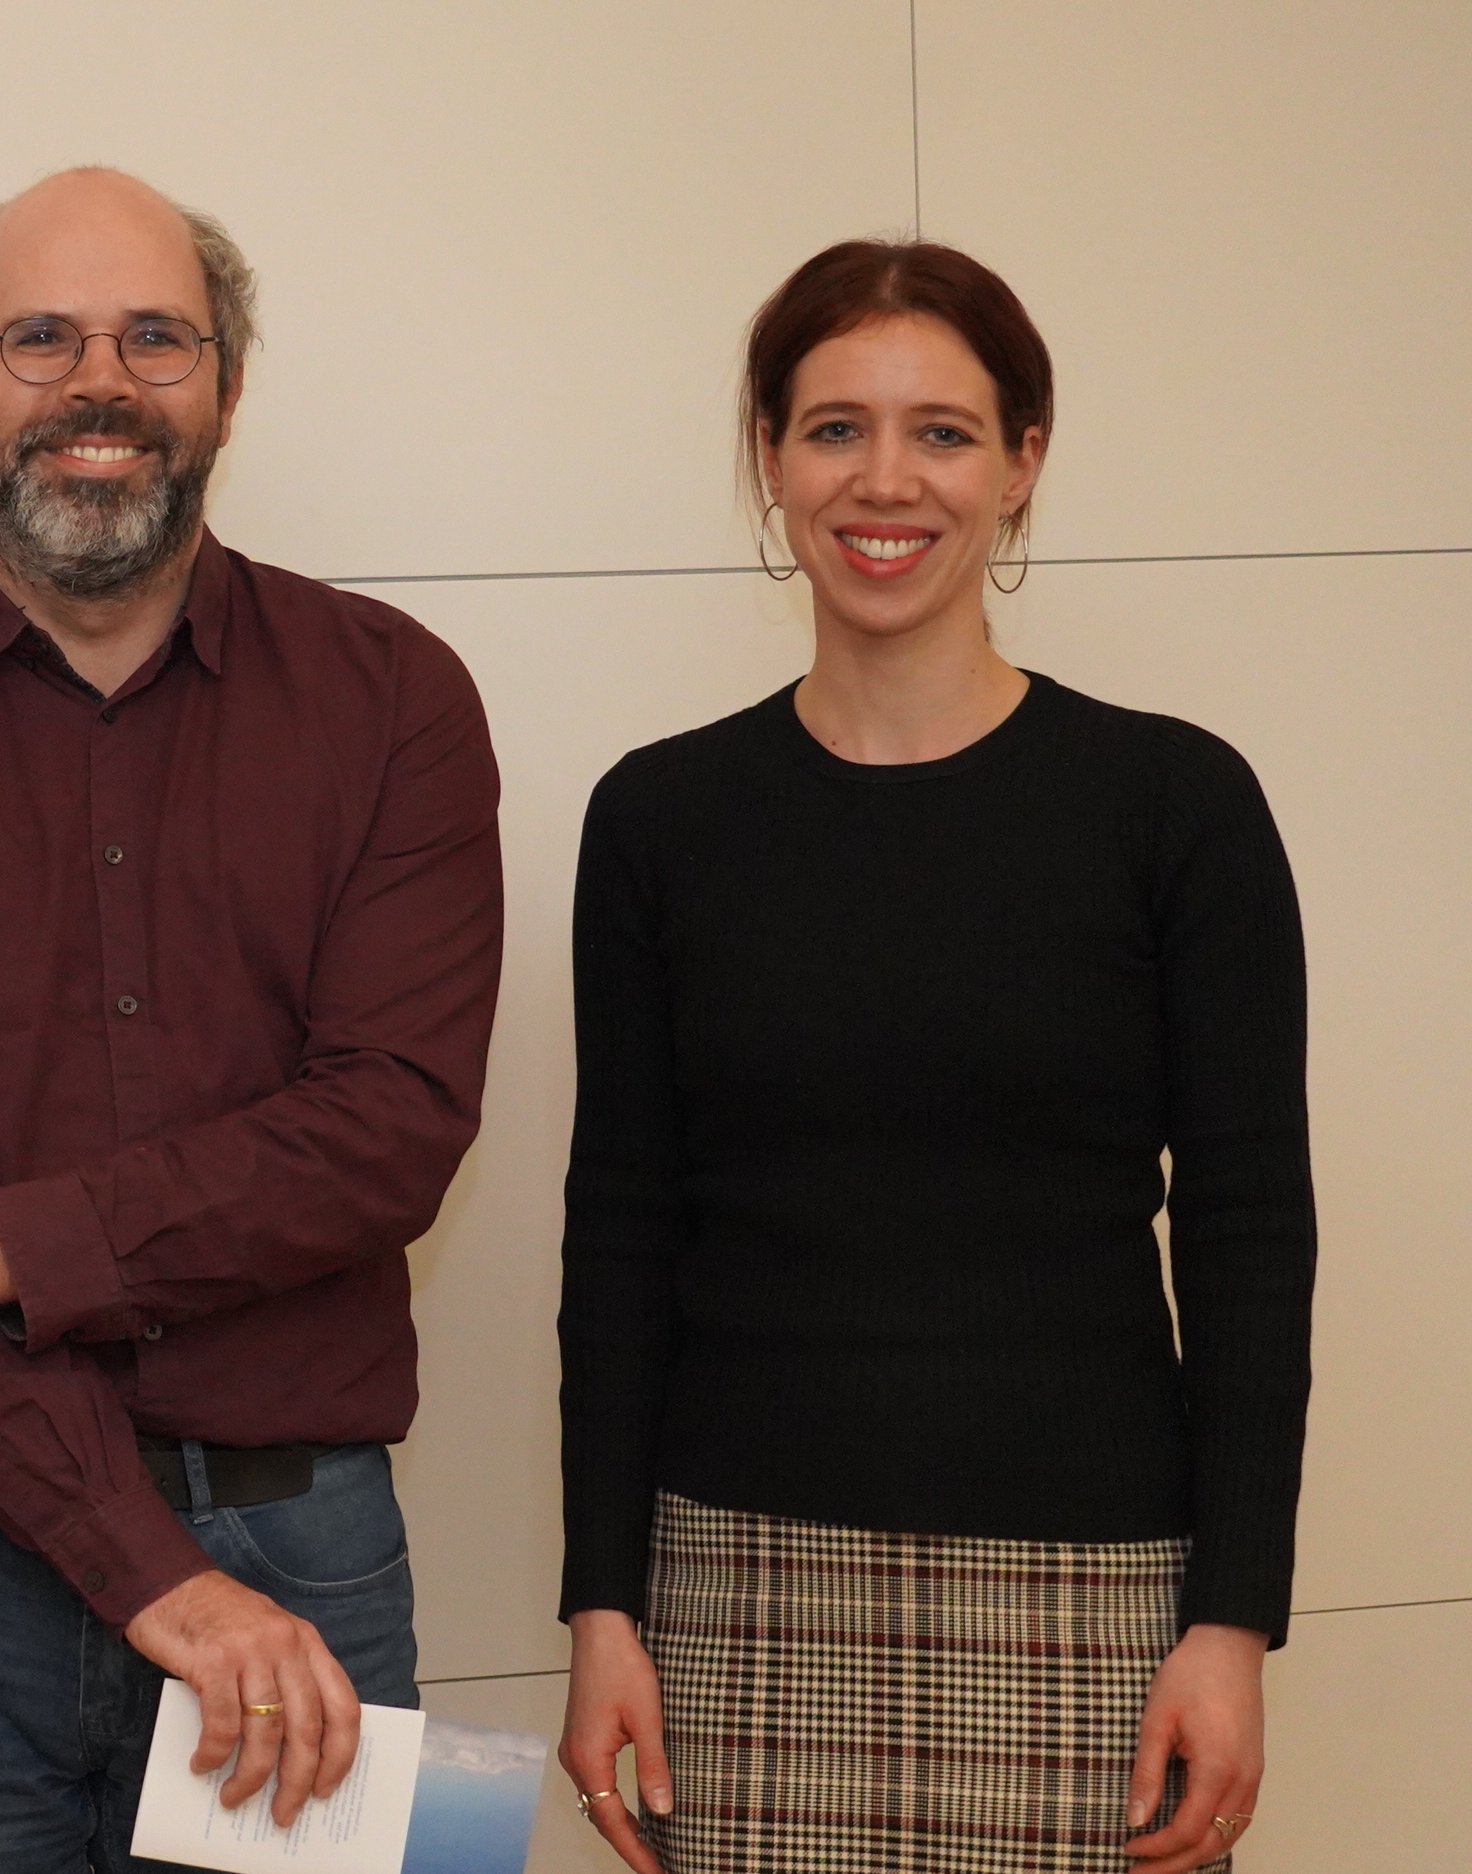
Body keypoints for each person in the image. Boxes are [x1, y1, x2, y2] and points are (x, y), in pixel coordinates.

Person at [0, 166, 505, 1873]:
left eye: (157, 337)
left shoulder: (397, 703)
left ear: (226, 383)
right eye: (39, 339)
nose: (100, 385)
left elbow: (386, 1136)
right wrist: (156, 1571)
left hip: (301, 1544)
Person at [553, 239, 1310, 1874]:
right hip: (739, 1596)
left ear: (1026, 462)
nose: (883, 480)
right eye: (833, 428)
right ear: (769, 457)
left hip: (1096, 1600)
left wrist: (1234, 1616)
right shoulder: (661, 818)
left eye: (944, 431)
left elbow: (1253, 1232)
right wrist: (601, 1601)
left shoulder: (1174, 808)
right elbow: (620, 1229)